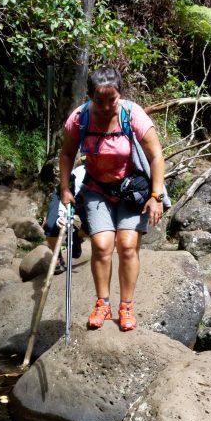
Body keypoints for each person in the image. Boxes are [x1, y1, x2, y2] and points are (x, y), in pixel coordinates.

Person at [58, 66, 165, 331]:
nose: (106, 107)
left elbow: (156, 156)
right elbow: (66, 154)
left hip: (132, 189)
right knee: (102, 245)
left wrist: (156, 196)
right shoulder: (80, 118)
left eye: (112, 100)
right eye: (99, 101)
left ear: (121, 94)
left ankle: (126, 306)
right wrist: (65, 189)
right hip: (97, 188)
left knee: (127, 245)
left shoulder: (133, 114)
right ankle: (102, 303)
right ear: (90, 96)